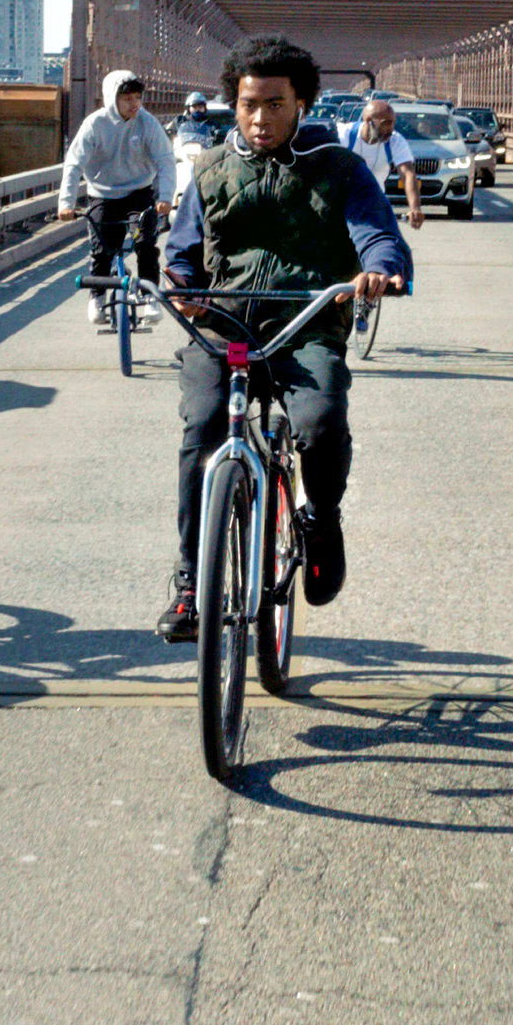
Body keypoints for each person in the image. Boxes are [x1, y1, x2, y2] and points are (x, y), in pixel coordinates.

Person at [156, 36, 412, 640]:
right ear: (233, 105)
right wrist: (180, 284)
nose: (260, 118)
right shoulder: (213, 171)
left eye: (275, 104)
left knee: (320, 421)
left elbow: (377, 234)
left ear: (302, 103)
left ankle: (321, 518)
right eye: (248, 105)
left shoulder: (340, 170)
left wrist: (378, 270)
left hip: (306, 325)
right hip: (227, 325)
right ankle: (192, 582)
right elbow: (182, 251)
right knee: (204, 424)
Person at [59, 69, 180, 331]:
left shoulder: (147, 123)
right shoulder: (95, 124)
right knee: (101, 250)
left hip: (139, 192)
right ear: (112, 98)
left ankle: (149, 296)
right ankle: (98, 296)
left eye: (137, 98)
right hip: (103, 194)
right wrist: (66, 203)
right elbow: (74, 163)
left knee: (145, 244)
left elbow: (165, 160)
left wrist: (166, 197)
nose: (134, 104)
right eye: (127, 99)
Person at [350, 96, 427, 227]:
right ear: (369, 121)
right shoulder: (344, 135)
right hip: (342, 203)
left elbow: (407, 174)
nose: (391, 129)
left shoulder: (395, 141)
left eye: (393, 123)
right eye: (386, 123)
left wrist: (415, 208)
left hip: (373, 205)